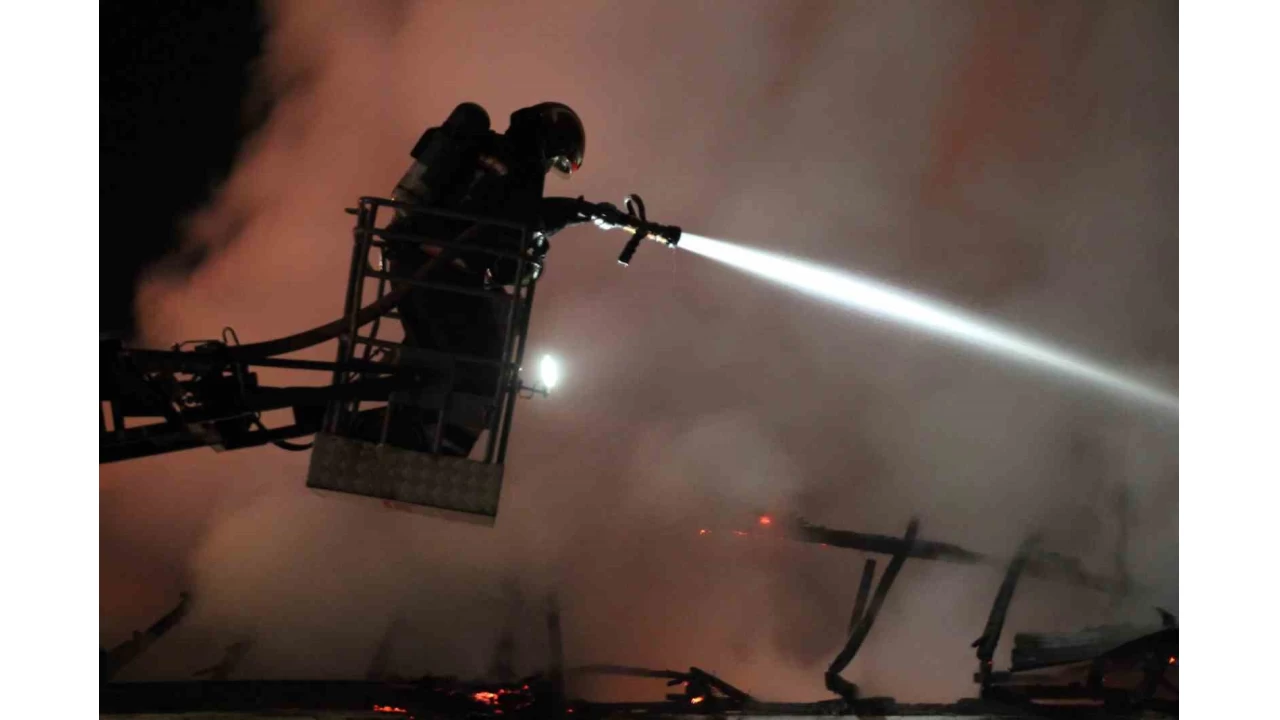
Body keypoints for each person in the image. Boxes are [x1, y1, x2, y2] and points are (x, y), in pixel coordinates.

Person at [367, 102, 600, 456]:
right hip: (442, 270)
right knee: (487, 365)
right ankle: (442, 449)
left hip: (411, 261)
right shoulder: (520, 164)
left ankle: (393, 427)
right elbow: (521, 220)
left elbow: (509, 223)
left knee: (432, 357)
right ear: (552, 140)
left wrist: (571, 213)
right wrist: (575, 212)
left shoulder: (489, 150)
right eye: (555, 160)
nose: (549, 167)